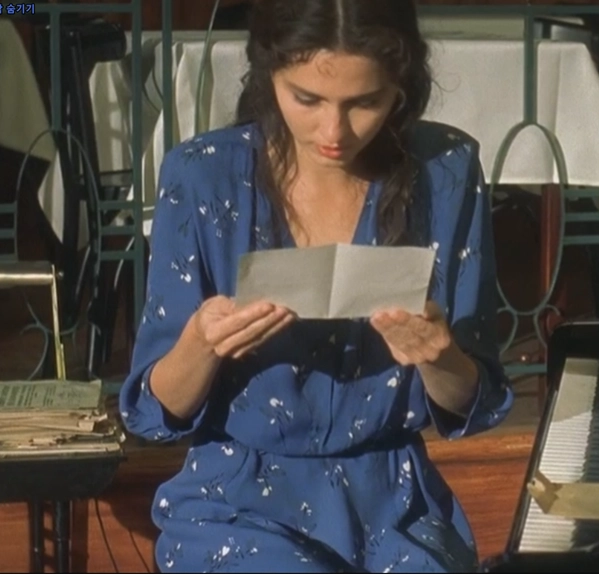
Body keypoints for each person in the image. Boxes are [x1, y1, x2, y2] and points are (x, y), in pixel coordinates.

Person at [118, 0, 515, 571]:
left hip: (396, 506)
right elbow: (153, 411)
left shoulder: (446, 171)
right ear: (268, 72)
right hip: (236, 504)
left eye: (365, 102)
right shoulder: (203, 174)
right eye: (307, 99)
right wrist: (202, 343)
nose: (334, 131)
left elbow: (476, 400)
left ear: (400, 86)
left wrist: (439, 356)